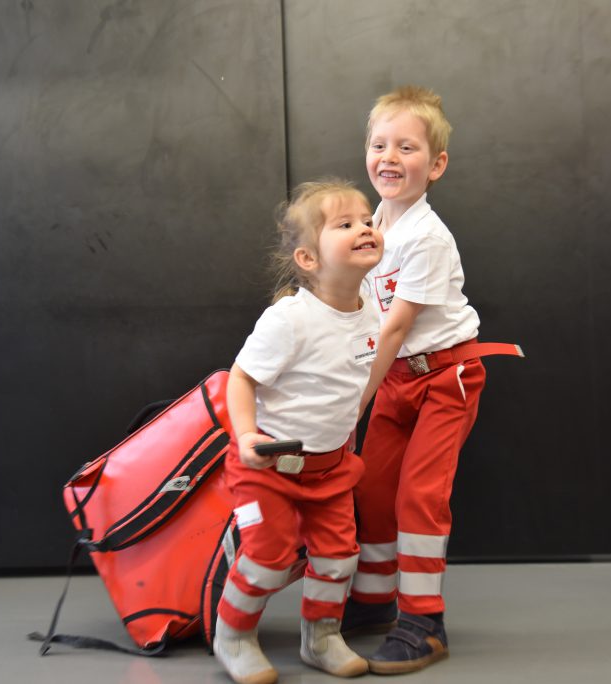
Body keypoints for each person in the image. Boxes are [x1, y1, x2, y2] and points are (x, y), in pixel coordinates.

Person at [342, 86, 522, 675]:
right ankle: (373, 603)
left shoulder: (427, 238)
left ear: (436, 164)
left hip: (446, 379)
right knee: (371, 492)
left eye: (407, 147)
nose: (389, 157)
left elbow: (394, 328)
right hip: (394, 380)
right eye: (378, 144)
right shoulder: (369, 227)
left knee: (419, 495)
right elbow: (360, 316)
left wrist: (352, 406)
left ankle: (424, 620)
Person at [214, 179, 384, 684]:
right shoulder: (290, 319)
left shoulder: (372, 309)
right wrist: (246, 438)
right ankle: (235, 635)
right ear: (308, 259)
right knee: (269, 558)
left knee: (338, 558)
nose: (365, 228)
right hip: (269, 467)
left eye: (368, 220)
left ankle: (322, 637)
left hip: (330, 470)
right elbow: (241, 379)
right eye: (346, 224)